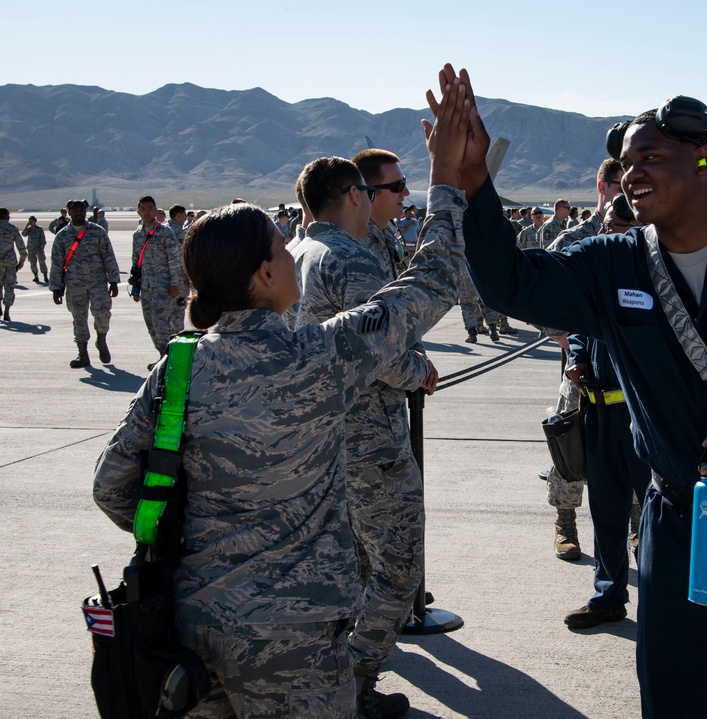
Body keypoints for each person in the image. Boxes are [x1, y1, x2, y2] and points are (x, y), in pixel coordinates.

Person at [428, 64, 707, 718]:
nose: (630, 172)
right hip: (684, 526)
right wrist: (473, 181)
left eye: (650, 155)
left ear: (705, 158)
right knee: (678, 700)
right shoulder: (613, 263)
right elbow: (511, 286)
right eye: (621, 163)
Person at [91, 80, 469, 719]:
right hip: (293, 641)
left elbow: (112, 487)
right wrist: (448, 184)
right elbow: (429, 285)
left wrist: (201, 546)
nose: (295, 257)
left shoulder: (179, 365)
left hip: (194, 629)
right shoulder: (320, 357)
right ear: (264, 276)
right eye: (280, 249)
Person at [287, 154, 439, 719]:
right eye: (388, 188)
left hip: (319, 439)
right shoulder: (350, 259)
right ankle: (352, 684)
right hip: (368, 440)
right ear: (355, 194)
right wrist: (418, 370)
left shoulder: (298, 251)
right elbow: (382, 347)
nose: (394, 195)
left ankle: (333, 676)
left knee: (354, 566)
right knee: (399, 570)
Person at [562, 194, 650, 628]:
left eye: (613, 227)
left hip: (644, 417)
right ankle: (608, 595)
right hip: (599, 414)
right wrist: (577, 357)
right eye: (603, 226)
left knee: (657, 512)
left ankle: (663, 598)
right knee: (607, 511)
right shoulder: (601, 275)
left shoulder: (655, 277)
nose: (604, 235)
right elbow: (579, 322)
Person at [539, 158, 625, 561]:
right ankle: (565, 520)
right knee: (569, 445)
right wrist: (565, 338)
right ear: (601, 186)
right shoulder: (574, 238)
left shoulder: (647, 230)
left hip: (629, 369)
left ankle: (637, 527)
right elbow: (540, 293)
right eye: (618, 182)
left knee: (635, 446)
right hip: (581, 366)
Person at [49, 199, 119, 368]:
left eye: (81, 210)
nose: (79, 212)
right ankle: (83, 354)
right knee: (79, 318)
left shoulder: (97, 232)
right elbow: (57, 263)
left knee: (102, 313)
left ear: (86, 212)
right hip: (74, 284)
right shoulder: (62, 236)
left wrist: (114, 280)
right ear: (69, 212)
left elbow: (108, 256)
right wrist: (56, 288)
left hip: (97, 282)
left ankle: (101, 339)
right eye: (75, 210)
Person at [132, 196, 185, 367]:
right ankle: (163, 354)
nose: (147, 212)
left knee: (161, 322)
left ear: (156, 211)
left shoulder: (165, 232)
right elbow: (136, 262)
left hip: (163, 285)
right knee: (150, 323)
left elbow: (173, 259)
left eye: (150, 208)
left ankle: (166, 359)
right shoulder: (137, 234)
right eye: (143, 209)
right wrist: (136, 287)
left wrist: (174, 283)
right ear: (138, 211)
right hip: (146, 286)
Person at [351, 149, 411, 278]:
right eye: (397, 186)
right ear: (369, 193)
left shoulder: (387, 237)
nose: (406, 192)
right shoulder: (356, 251)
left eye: (404, 183)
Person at [0, 208, 27, 321]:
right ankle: (7, 311)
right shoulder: (12, 228)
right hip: (10, 262)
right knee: (9, 286)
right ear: (6, 216)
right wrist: (22, 259)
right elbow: (20, 245)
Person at [21, 215, 48, 284]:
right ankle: (35, 276)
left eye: (32, 221)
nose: (31, 223)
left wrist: (42, 247)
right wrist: (27, 226)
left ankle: (45, 276)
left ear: (35, 221)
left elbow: (43, 239)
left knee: (42, 262)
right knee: (32, 262)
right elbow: (24, 234)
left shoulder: (39, 229)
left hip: (39, 248)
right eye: (29, 221)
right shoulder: (29, 229)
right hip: (31, 248)